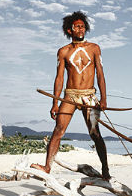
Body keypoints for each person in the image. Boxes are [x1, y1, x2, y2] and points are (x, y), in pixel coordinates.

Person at [33, 11, 111, 179]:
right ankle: (47, 167)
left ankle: (105, 170)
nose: (80, 29)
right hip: (70, 95)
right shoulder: (63, 51)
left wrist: (104, 99)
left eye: (82, 26)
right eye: (77, 26)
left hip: (89, 95)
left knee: (95, 133)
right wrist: (55, 102)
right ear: (70, 30)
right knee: (58, 130)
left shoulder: (94, 48)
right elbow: (59, 77)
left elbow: (100, 75)